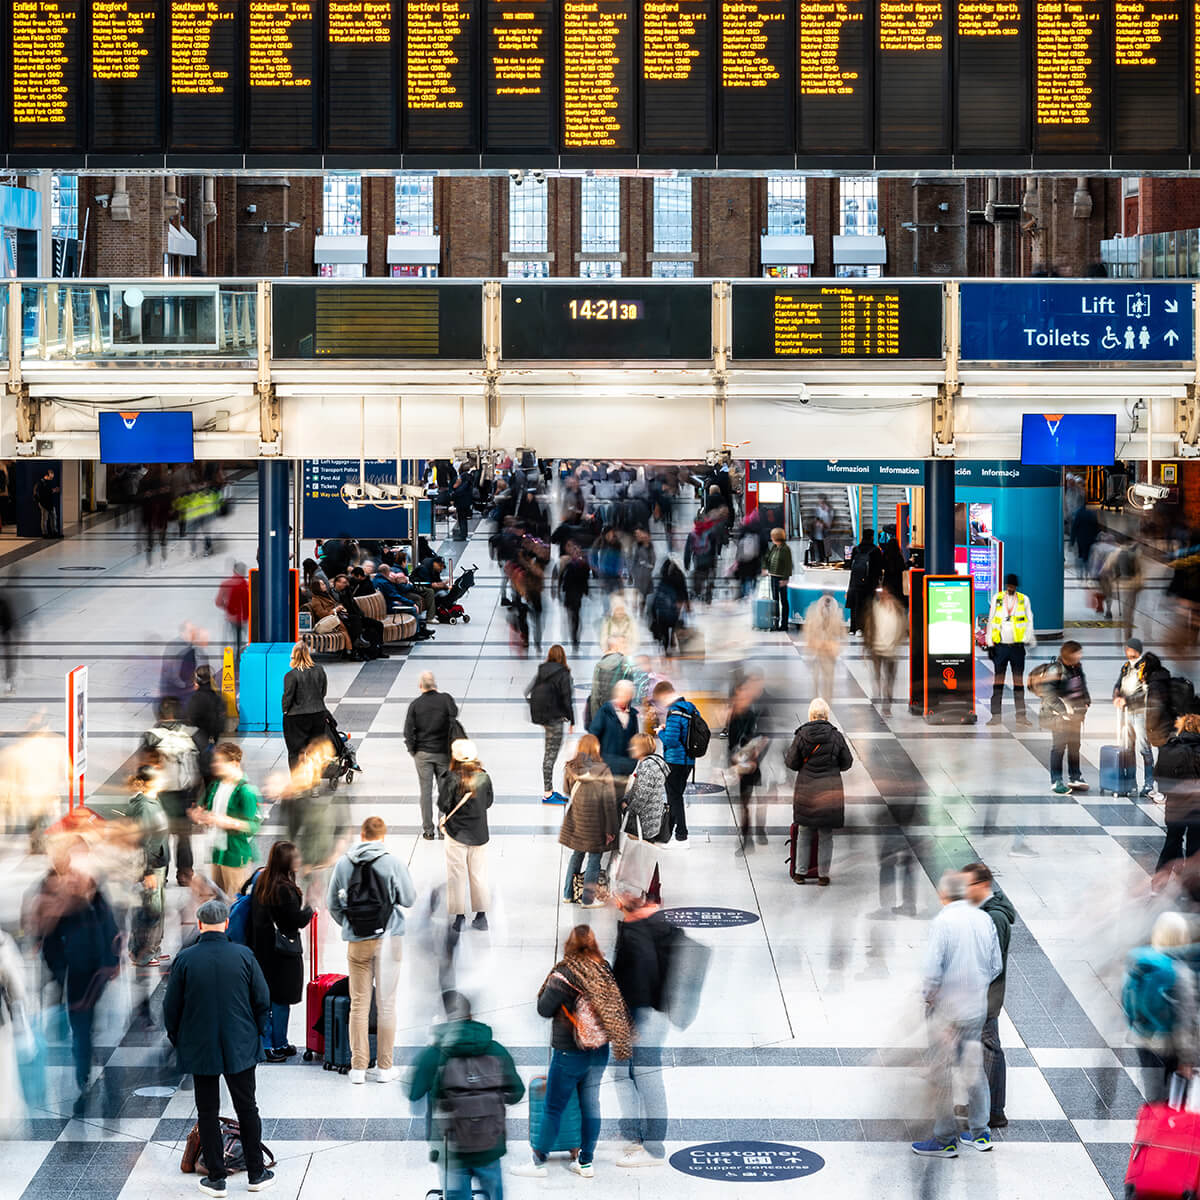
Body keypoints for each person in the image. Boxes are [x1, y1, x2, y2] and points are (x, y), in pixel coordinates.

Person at [163, 898, 275, 1196]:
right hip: (240, 1043)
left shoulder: (185, 960)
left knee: (208, 1110)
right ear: (226, 923)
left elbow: (170, 1009)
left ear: (199, 925)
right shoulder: (244, 956)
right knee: (247, 1107)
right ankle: (256, 1173)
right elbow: (262, 1001)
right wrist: (255, 1034)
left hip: (201, 1046)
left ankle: (216, 1177)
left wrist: (180, 1040)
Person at [512, 925, 633, 1180]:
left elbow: (543, 1010)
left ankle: (537, 1162)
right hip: (599, 1050)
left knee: (553, 1107)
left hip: (569, 1053)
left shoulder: (564, 974)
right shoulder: (604, 968)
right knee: (591, 1106)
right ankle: (586, 1162)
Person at [910, 870, 1002, 1158]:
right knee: (973, 1069)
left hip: (947, 1012)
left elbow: (932, 969)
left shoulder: (943, 921)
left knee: (943, 1073)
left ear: (943, 895)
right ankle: (980, 1133)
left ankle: (944, 1139)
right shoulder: (984, 919)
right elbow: (995, 964)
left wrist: (928, 997)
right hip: (976, 1008)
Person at [408, 990, 525, 1200]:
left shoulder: (434, 1054)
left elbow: (414, 1093)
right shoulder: (496, 1050)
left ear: (442, 1019)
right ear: (471, 1015)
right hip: (490, 1143)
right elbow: (517, 1092)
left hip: (451, 1149)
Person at [29, 847, 120, 1114]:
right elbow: (51, 946)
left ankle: (108, 1086)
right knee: (82, 1034)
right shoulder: (65, 909)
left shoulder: (100, 903)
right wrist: (59, 973)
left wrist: (111, 965)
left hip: (102, 981)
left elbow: (113, 936)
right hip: (79, 983)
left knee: (102, 1034)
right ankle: (84, 1081)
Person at [327, 816, 417, 1084]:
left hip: (357, 942)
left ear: (362, 834)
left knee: (358, 1004)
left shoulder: (344, 863)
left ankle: (358, 1068)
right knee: (386, 1004)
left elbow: (333, 903)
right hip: (389, 940)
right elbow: (409, 899)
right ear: (383, 836)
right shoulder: (393, 862)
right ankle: (385, 1067)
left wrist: (349, 924)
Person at [611, 886, 674, 1168]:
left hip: (642, 1014)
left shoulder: (638, 933)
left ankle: (652, 1147)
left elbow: (637, 978)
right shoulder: (644, 925)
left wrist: (628, 1020)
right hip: (647, 1012)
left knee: (644, 1077)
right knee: (632, 1074)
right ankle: (635, 1133)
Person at [250, 840, 314, 1063]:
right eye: (294, 858)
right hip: (283, 952)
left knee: (269, 999)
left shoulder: (263, 881)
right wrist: (309, 908)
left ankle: (273, 1043)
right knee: (280, 1000)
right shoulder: (284, 889)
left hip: (264, 950)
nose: (298, 861)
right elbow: (294, 921)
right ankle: (276, 1044)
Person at [962, 862, 1015, 1131]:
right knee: (985, 1048)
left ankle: (994, 1110)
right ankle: (986, 1105)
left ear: (982, 885)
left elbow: (991, 963)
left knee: (990, 1048)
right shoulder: (985, 913)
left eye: (967, 885)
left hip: (985, 996)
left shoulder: (994, 918)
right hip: (982, 994)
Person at [784, 697, 853, 885]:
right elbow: (847, 762)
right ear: (827, 715)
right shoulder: (836, 736)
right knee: (826, 834)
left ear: (811, 714)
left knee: (805, 831)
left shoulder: (802, 735)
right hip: (829, 791)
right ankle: (823, 874)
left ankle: (800, 872)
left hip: (807, 789)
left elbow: (791, 762)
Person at [123, 764, 171, 1027]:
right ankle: (142, 951)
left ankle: (151, 948)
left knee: (156, 908)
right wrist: (148, 870)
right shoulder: (144, 807)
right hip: (151, 870)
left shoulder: (153, 800)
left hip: (159, 867)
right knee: (150, 910)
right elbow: (142, 841)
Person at [142, 696, 202, 887]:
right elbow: (204, 767)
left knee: (160, 836)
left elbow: (143, 767)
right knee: (184, 837)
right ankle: (185, 873)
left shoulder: (150, 736)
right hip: (186, 794)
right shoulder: (192, 733)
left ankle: (161, 872)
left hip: (160, 794)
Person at [191, 742, 261, 896]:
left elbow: (254, 826)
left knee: (236, 898)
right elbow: (204, 808)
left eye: (220, 761)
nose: (215, 765)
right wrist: (200, 816)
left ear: (235, 763)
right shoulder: (216, 785)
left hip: (236, 854)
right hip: (217, 851)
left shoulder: (246, 791)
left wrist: (228, 822)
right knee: (217, 897)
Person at [439, 740, 493, 933]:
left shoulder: (451, 778)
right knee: (478, 875)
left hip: (456, 834)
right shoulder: (484, 777)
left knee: (456, 875)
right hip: (479, 832)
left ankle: (459, 918)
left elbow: (444, 804)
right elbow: (489, 801)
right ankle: (481, 916)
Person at [560, 735, 619, 907]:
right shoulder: (603, 770)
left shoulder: (571, 767)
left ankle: (568, 894)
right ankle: (587, 899)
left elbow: (567, 791)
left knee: (577, 855)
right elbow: (609, 802)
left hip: (577, 818)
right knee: (594, 858)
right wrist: (610, 830)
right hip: (597, 821)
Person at [404, 671, 459, 840]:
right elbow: (454, 714)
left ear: (421, 686)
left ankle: (428, 831)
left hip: (423, 754)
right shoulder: (445, 700)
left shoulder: (415, 704)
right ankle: (444, 827)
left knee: (425, 792)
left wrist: (413, 750)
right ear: (435, 684)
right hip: (443, 752)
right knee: (444, 790)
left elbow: (408, 731)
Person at [1114, 636, 1170, 800]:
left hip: (1140, 713)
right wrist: (1117, 694)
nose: (1127, 652)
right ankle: (1129, 782)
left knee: (1144, 748)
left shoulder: (1144, 668)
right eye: (1126, 649)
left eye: (1130, 649)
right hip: (1126, 713)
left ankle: (1148, 783)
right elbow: (1119, 683)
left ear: (1137, 651)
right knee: (1128, 748)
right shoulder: (1126, 667)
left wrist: (1127, 700)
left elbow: (1144, 694)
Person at [1037, 640, 1091, 795]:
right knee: (1059, 747)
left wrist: (1086, 701)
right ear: (1070, 654)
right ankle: (1056, 780)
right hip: (1060, 716)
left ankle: (1075, 776)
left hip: (1076, 715)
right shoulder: (1056, 669)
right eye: (1078, 653)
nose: (1080, 655)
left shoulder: (1076, 668)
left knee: (1075, 745)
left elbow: (1082, 686)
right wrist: (1064, 711)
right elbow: (1048, 694)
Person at [653, 681, 701, 847]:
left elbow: (672, 741)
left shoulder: (674, 712)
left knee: (674, 796)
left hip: (674, 761)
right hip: (688, 760)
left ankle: (681, 832)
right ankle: (670, 829)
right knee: (675, 795)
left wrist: (661, 732)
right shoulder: (691, 708)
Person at [525, 645, 575, 803]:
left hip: (544, 718)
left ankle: (550, 790)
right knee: (550, 756)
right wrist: (571, 720)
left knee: (549, 754)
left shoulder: (542, 670)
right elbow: (567, 699)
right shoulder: (563, 673)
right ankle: (547, 793)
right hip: (556, 719)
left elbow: (527, 691)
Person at [728, 672, 769, 853]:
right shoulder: (734, 716)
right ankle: (747, 839)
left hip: (753, 763)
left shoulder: (753, 714)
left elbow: (760, 739)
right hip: (740, 765)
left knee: (755, 800)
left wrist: (754, 759)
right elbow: (730, 743)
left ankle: (759, 830)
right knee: (744, 804)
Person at [987, 574, 1035, 728]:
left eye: (1013, 586)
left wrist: (1029, 639)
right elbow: (991, 619)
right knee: (998, 683)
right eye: (1008, 586)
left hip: (1017, 648)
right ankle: (995, 716)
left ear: (1016, 586)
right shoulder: (997, 598)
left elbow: (1029, 620)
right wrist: (990, 643)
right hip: (1000, 647)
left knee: (1018, 684)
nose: (1010, 588)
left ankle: (1021, 717)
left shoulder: (1024, 600)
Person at [1155, 714, 1200, 876]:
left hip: (1174, 807)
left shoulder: (1169, 748)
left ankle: (1159, 880)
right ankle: (1191, 884)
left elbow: (1159, 777)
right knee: (1195, 844)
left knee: (1172, 841)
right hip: (1196, 807)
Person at [281, 642, 329, 771]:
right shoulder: (319, 670)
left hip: (296, 718)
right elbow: (323, 692)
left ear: (294, 656)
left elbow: (288, 697)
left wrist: (285, 711)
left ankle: (299, 783)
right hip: (318, 713)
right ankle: (314, 781)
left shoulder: (291, 675)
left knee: (295, 752)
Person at [589, 679, 639, 801]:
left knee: (619, 801)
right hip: (607, 768)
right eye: (622, 694)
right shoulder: (605, 712)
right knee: (606, 803)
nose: (624, 697)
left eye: (627, 694)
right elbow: (593, 736)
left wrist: (632, 762)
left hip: (625, 768)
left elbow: (634, 740)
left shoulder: (632, 715)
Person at [864, 589, 905, 714]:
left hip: (891, 650)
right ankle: (878, 692)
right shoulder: (874, 609)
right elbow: (868, 627)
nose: (883, 595)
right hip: (877, 649)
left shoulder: (897, 610)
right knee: (877, 674)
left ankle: (887, 700)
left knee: (890, 677)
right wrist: (867, 644)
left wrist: (896, 642)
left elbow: (902, 628)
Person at [802, 593, 846, 703]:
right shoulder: (813, 608)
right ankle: (815, 704)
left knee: (828, 681)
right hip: (816, 651)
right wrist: (811, 645)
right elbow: (807, 630)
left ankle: (827, 704)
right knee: (815, 681)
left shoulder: (838, 611)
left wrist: (835, 648)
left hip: (829, 652)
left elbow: (842, 634)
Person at [187, 664, 226, 781]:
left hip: (199, 739)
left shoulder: (195, 698)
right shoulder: (218, 698)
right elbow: (221, 722)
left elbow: (191, 719)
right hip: (212, 739)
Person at [846, 528, 883, 635]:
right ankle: (864, 628)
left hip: (855, 581)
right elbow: (878, 568)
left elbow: (850, 565)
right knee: (867, 604)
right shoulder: (875, 550)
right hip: (869, 583)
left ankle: (853, 628)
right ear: (872, 537)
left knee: (855, 604)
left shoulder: (856, 549)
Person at [558, 541, 592, 652]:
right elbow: (561, 578)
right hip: (569, 593)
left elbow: (586, 579)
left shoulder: (584, 565)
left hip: (577, 594)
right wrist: (559, 591)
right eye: (574, 551)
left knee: (575, 617)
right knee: (571, 616)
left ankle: (574, 639)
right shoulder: (567, 563)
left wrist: (586, 591)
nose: (577, 553)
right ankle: (572, 637)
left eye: (578, 551)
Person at [216, 562, 250, 660]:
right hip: (243, 618)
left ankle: (227, 659)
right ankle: (238, 658)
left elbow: (218, 602)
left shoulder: (225, 584)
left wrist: (227, 607)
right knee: (240, 639)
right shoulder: (246, 585)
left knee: (230, 639)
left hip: (230, 618)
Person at [762, 527, 794, 631]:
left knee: (783, 601)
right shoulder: (774, 548)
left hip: (781, 578)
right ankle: (775, 623)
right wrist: (764, 567)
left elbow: (788, 565)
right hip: (773, 576)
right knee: (775, 601)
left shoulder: (785, 549)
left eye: (772, 536)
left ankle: (784, 624)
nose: (771, 538)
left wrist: (785, 579)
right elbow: (767, 558)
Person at [34, 466, 60, 538]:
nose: (52, 476)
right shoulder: (41, 483)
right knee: (45, 518)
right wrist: (53, 490)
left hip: (50, 503)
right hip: (43, 503)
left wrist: (53, 490)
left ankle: (54, 532)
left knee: (53, 517)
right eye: (51, 475)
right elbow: (43, 493)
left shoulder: (49, 482)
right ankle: (44, 533)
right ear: (46, 475)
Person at [809, 495, 832, 564]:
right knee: (818, 548)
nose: (820, 503)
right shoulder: (817, 510)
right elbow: (814, 520)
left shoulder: (828, 510)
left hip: (824, 532)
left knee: (825, 548)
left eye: (822, 501)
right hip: (817, 532)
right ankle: (820, 560)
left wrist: (823, 523)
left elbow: (829, 523)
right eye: (820, 501)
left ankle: (825, 560)